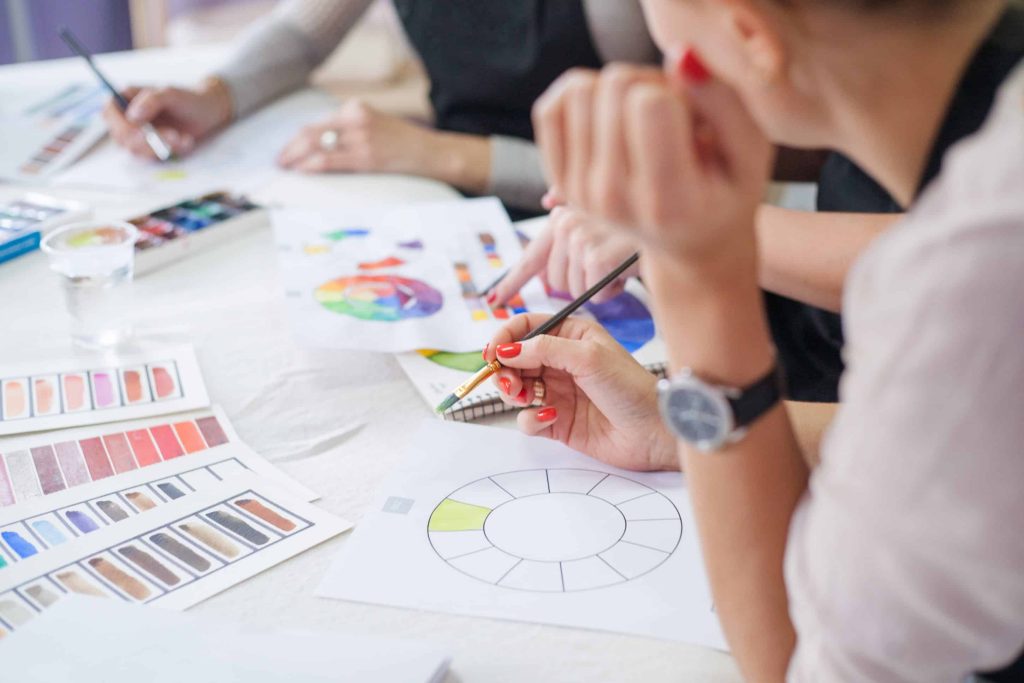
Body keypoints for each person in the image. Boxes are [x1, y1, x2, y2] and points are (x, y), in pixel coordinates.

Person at [484, 0, 1024, 680]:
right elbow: (974, 447)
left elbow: (799, 663)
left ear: (748, 33)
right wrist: (672, 425)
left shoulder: (965, 281)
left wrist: (697, 267)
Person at [491, 2, 1023, 402]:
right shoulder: (928, 87)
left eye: (676, 56)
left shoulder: (981, 255)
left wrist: (696, 236)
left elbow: (964, 266)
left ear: (752, 35)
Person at [101, 0, 657, 216]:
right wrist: (213, 97)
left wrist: (434, 151)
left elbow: (656, 175)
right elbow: (301, 35)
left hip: (602, 224)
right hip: (452, 198)